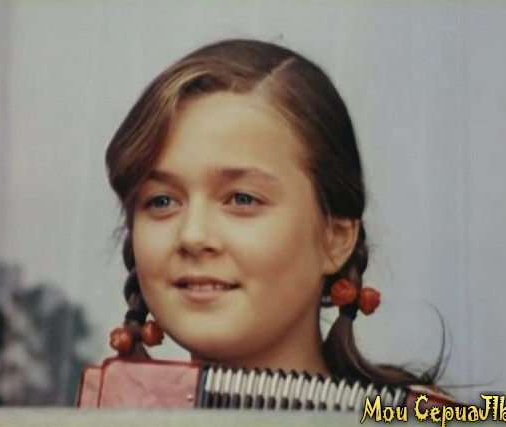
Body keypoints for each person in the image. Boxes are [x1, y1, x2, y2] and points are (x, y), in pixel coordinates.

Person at [104, 39, 440, 388]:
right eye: (162, 201)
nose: (193, 236)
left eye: (242, 199)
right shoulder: (104, 413)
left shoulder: (419, 415)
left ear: (335, 238)